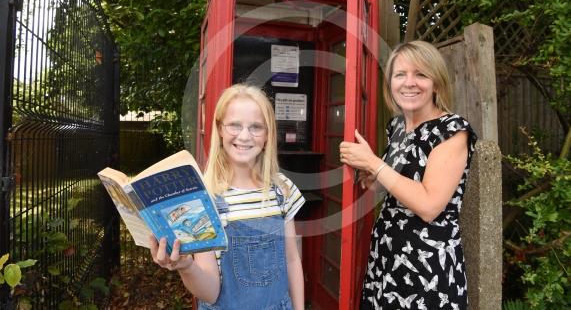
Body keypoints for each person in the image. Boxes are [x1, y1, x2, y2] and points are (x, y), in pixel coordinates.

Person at [339, 40, 477, 310]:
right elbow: (398, 185)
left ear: (436, 83)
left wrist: (376, 164)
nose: (409, 82)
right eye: (400, 74)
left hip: (427, 268)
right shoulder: (398, 127)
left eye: (421, 74)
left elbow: (428, 205)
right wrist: (373, 179)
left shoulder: (452, 130)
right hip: (387, 257)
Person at [149, 84, 305, 310]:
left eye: (256, 127)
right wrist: (186, 266)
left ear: (267, 135)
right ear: (220, 129)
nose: (244, 136)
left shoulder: (283, 190)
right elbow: (210, 293)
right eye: (234, 125)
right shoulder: (205, 198)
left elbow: (292, 261)